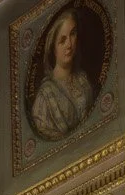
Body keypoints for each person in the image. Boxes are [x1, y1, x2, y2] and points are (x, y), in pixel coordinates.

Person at [29, 7, 97, 141]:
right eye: (62, 40)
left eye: (73, 34)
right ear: (53, 48)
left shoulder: (83, 80)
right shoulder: (44, 97)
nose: (69, 44)